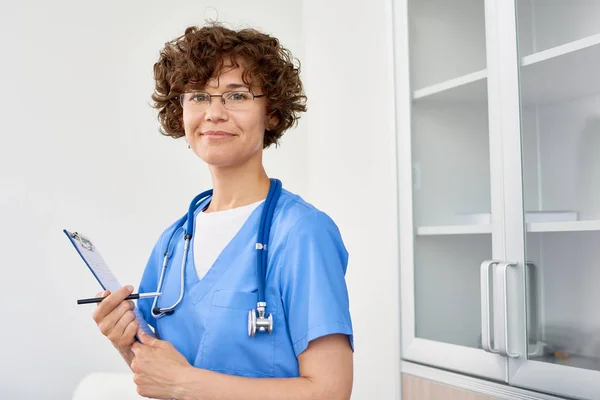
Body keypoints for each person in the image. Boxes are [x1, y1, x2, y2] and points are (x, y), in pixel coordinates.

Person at [92, 23, 354, 400]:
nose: (214, 113)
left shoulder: (302, 232)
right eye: (198, 96)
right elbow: (161, 375)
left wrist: (184, 383)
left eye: (237, 96)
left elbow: (331, 392)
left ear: (273, 114)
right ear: (179, 112)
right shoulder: (172, 242)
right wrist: (123, 341)